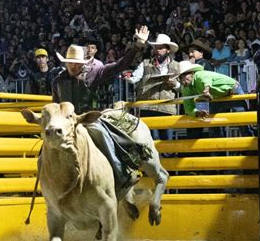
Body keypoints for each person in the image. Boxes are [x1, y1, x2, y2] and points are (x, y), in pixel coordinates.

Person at [52, 25, 150, 196]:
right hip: (67, 124)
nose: (73, 67)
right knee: (46, 148)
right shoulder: (58, 81)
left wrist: (137, 46)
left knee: (104, 137)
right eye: (70, 63)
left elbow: (121, 65)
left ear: (83, 63)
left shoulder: (95, 73)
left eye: (76, 63)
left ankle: (121, 174)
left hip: (90, 120)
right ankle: (47, 182)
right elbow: (55, 106)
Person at [124, 34, 180, 141]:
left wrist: (175, 84)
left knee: (167, 140)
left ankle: (167, 157)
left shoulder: (176, 66)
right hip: (147, 107)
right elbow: (135, 78)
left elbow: (181, 87)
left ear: (168, 50)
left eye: (161, 48)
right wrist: (128, 77)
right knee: (149, 140)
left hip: (166, 109)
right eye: (156, 48)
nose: (158, 50)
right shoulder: (145, 64)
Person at [176, 60, 253, 137]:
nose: (183, 80)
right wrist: (197, 113)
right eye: (180, 78)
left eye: (184, 76)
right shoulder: (186, 88)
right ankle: (218, 147)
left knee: (243, 122)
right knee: (213, 125)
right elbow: (188, 107)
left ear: (192, 73)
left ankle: (252, 146)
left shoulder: (199, 75)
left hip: (232, 92)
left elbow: (206, 80)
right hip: (217, 97)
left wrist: (206, 89)